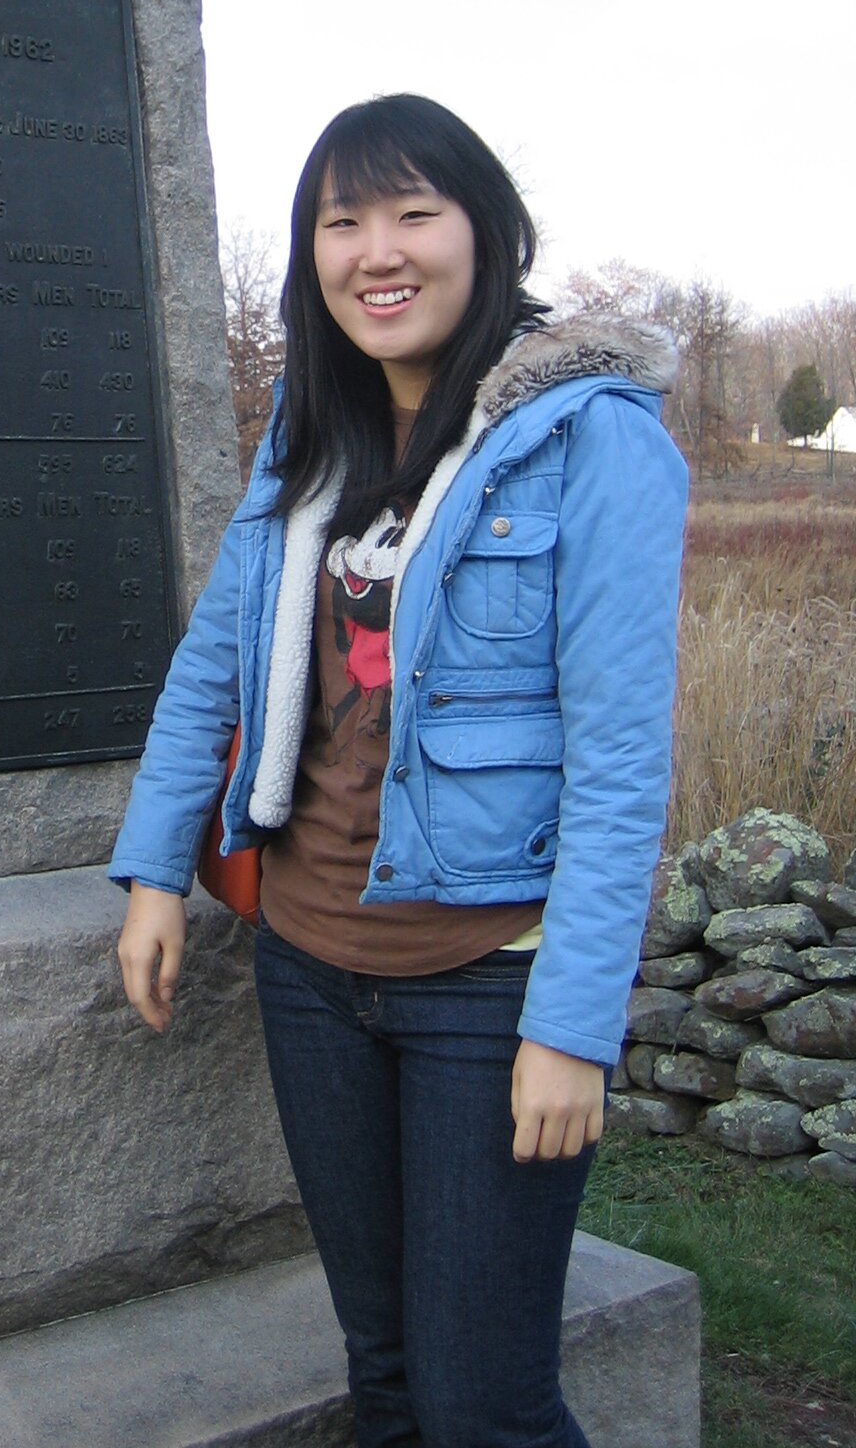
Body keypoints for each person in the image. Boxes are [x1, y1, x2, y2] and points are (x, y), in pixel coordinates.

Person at [111, 94, 687, 1448]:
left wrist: (572, 1028)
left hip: (488, 984)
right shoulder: (309, 429)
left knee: (485, 1403)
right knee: (382, 1370)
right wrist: (152, 872)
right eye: (342, 220)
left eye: (415, 213)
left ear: (486, 232)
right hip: (310, 969)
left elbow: (620, 761)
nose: (379, 251)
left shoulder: (593, 440)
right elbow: (215, 662)